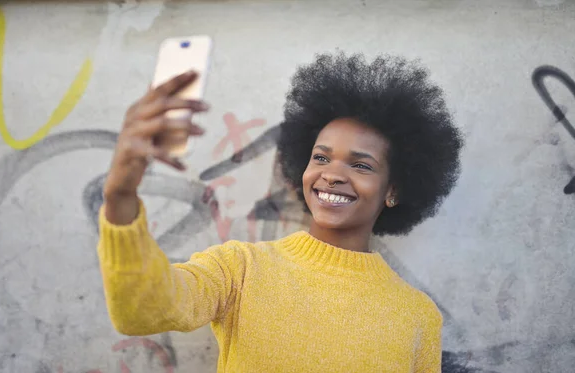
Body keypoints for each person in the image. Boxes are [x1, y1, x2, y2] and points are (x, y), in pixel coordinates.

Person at [97, 52, 463, 372]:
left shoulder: (416, 315)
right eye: (321, 157)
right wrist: (120, 194)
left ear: (394, 191)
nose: (332, 174)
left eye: (361, 165)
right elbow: (141, 310)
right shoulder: (239, 269)